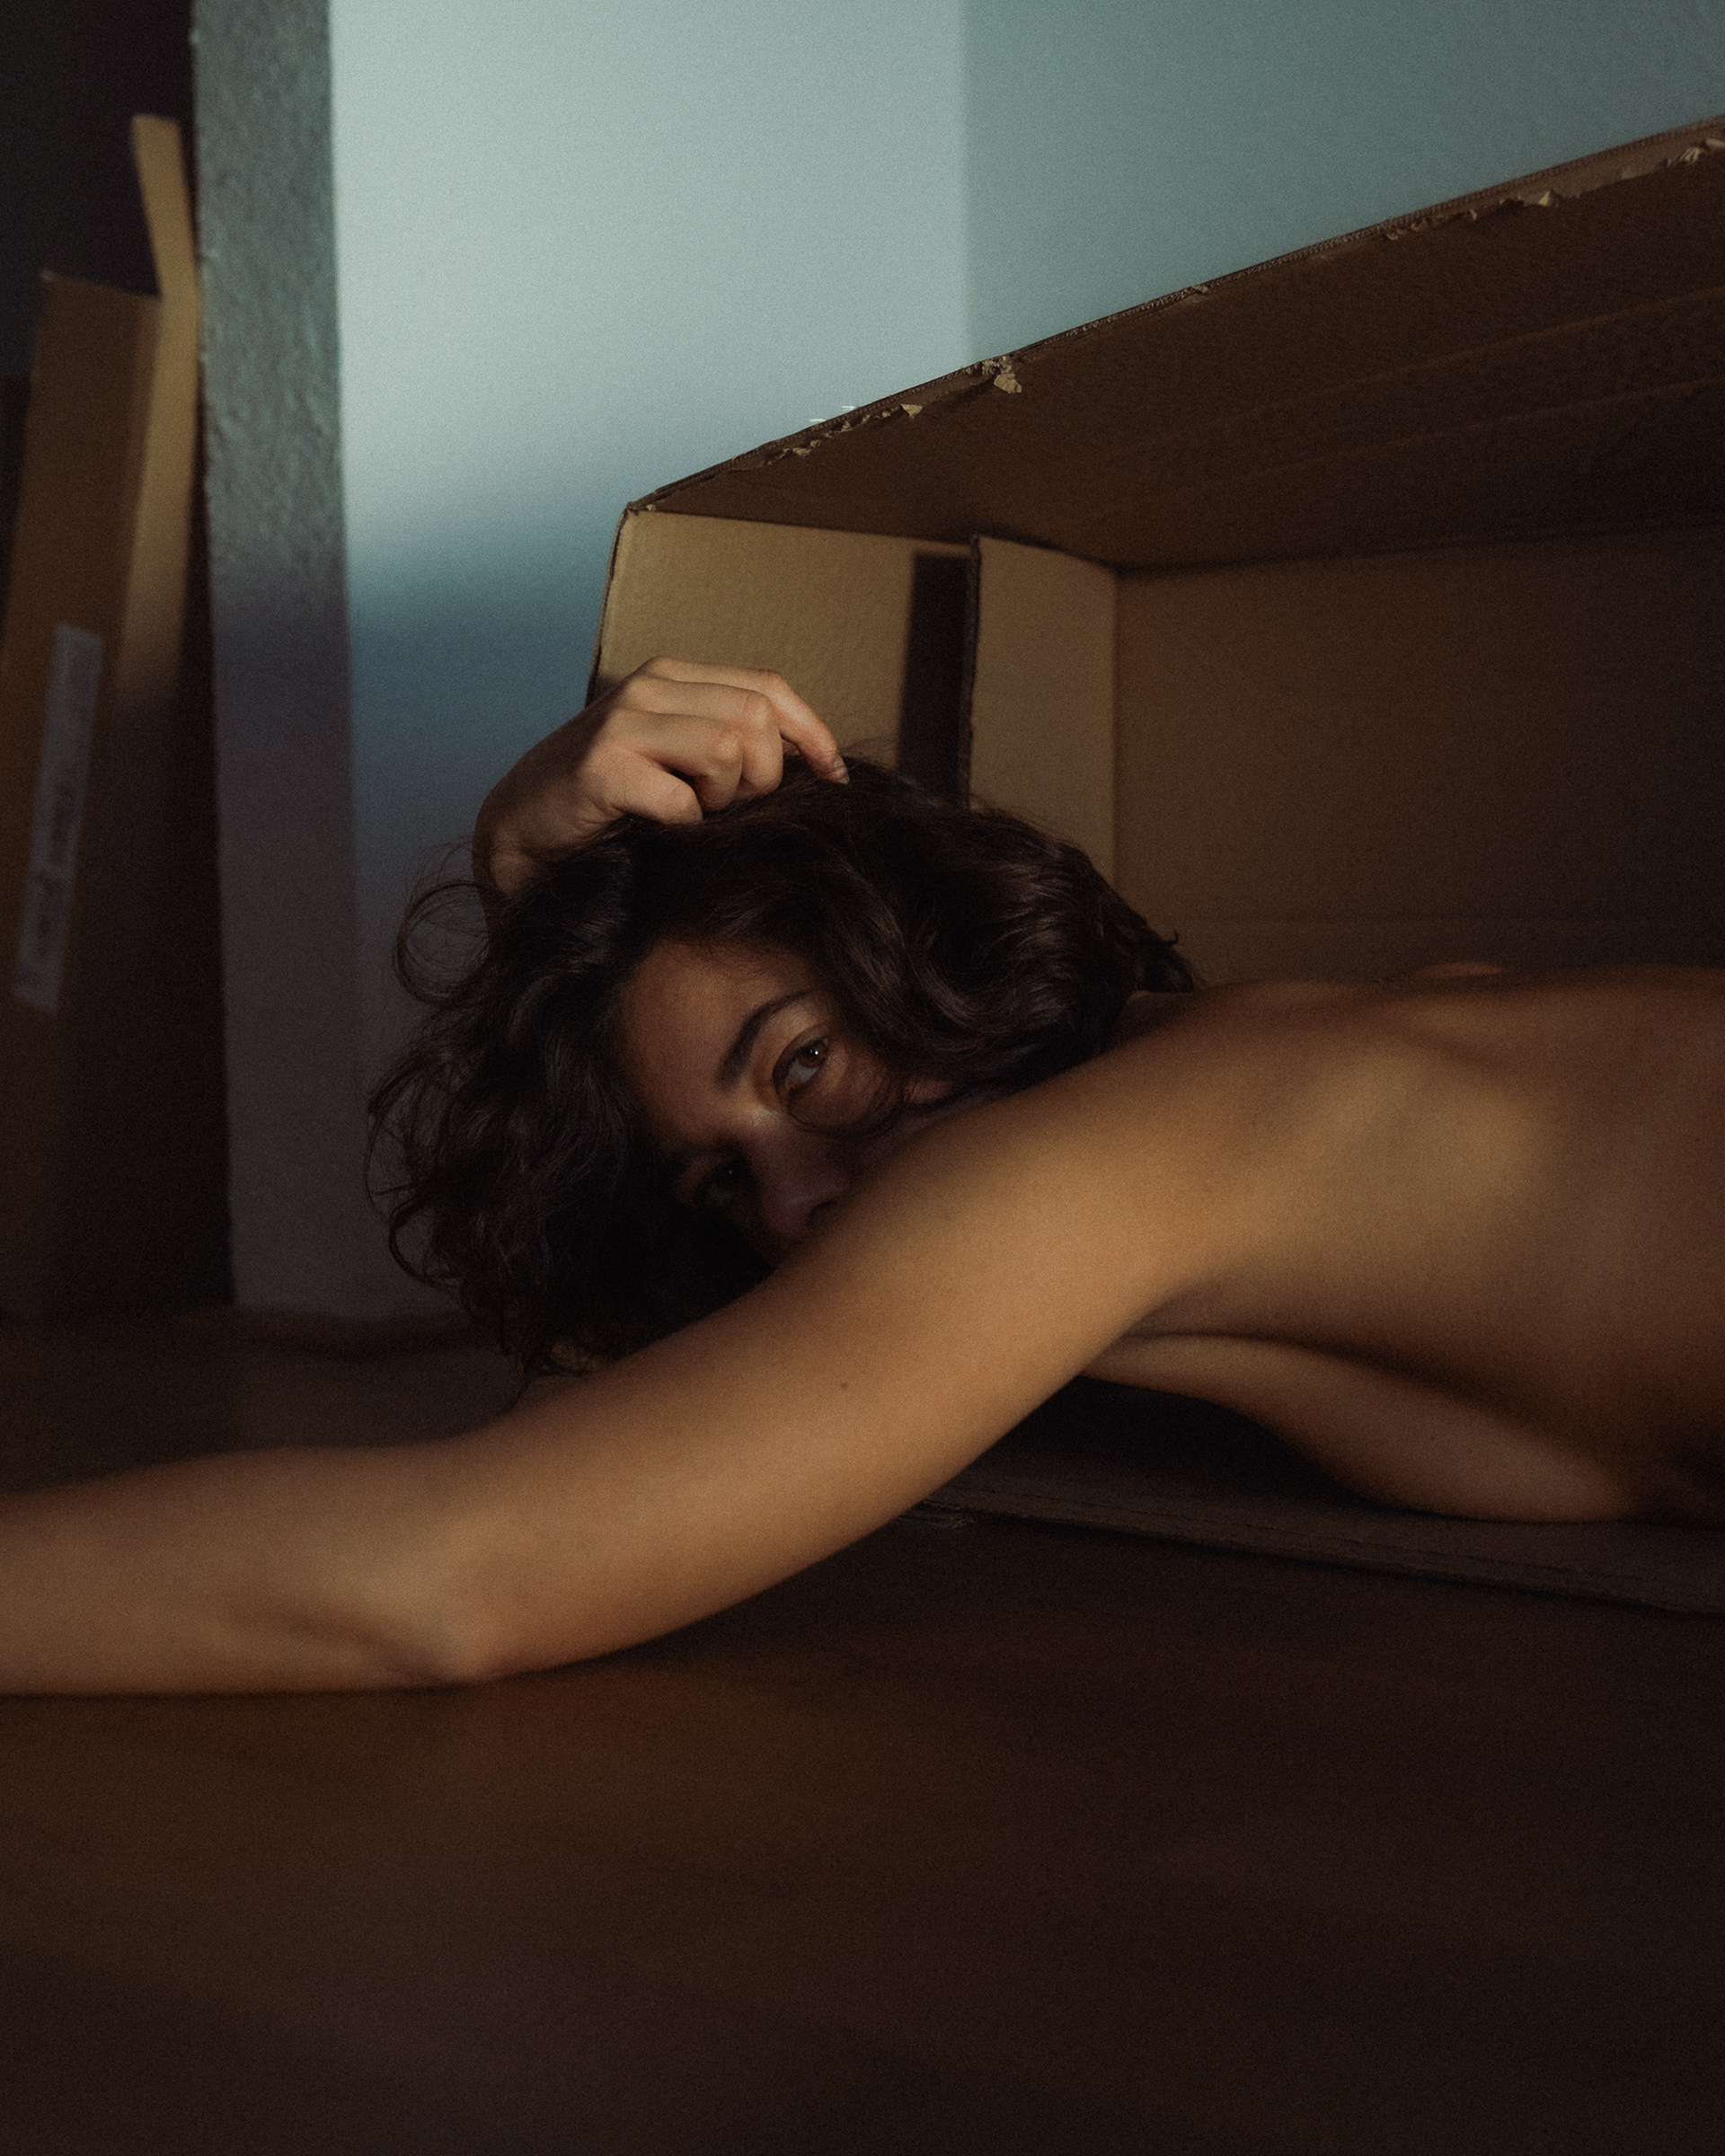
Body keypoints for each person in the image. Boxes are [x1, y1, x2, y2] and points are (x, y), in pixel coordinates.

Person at [2, 659, 1721, 1696]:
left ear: (914, 935)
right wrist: (535, 885)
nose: (794, 1203)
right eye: (718, 1189)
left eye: (801, 1064)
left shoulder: (1101, 1161)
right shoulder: (1259, 1080)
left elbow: (461, 1572)